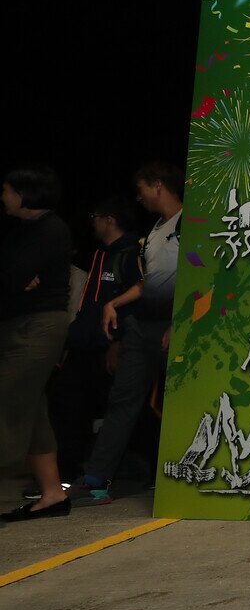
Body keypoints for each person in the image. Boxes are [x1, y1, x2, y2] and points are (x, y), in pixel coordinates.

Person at [70, 162, 184, 506]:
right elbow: (149, 281)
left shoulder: (190, 223)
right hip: (140, 327)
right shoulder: (155, 229)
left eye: (142, 188)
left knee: (179, 402)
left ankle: (185, 476)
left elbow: (202, 277)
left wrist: (180, 324)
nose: (139, 196)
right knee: (122, 400)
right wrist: (114, 303)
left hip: (170, 327)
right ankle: (96, 479)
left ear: (158, 185)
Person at [48, 196, 141, 483]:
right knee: (66, 403)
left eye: (95, 218)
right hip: (83, 344)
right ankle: (66, 475)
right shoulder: (101, 253)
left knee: (121, 410)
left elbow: (139, 299)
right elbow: (89, 303)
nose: (93, 224)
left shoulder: (132, 251)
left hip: (109, 346)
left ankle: (130, 472)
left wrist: (117, 342)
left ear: (109, 219)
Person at [1, 165, 75, 521]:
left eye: (8, 190)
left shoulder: (51, 229)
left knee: (8, 400)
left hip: (39, 327)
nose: (3, 197)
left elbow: (14, 277)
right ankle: (52, 495)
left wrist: (15, 279)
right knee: (32, 412)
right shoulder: (20, 231)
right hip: (16, 324)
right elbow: (13, 277)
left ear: (25, 193)